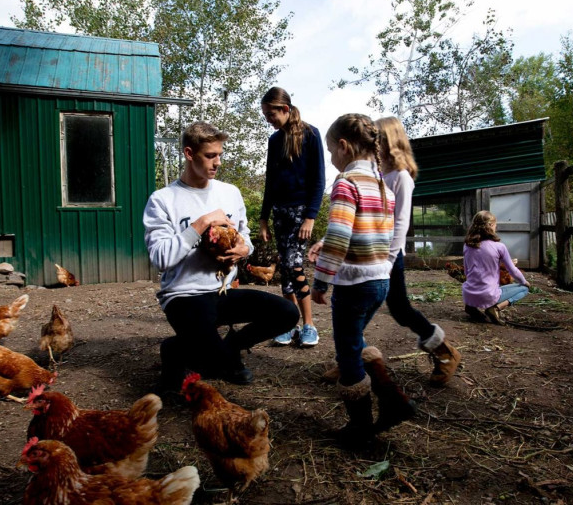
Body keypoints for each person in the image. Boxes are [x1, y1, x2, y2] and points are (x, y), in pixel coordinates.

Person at [143, 122, 299, 389]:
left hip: (222, 291)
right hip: (184, 296)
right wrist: (201, 223)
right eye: (209, 156)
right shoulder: (162, 199)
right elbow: (160, 258)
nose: (217, 162)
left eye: (220, 155)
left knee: (287, 313)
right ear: (189, 153)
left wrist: (243, 250)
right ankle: (177, 350)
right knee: (212, 367)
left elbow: (245, 237)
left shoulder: (230, 193)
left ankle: (230, 347)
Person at [309, 116, 461, 387]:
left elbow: (399, 224)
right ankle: (351, 361)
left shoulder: (398, 177)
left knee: (398, 309)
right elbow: (350, 222)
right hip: (372, 255)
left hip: (386, 255)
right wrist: (325, 239)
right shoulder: (377, 177)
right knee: (368, 313)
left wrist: (387, 262)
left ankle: (443, 350)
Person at [311, 113, 414, 447]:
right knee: (355, 342)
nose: (330, 159)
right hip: (379, 280)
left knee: (347, 354)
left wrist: (321, 280)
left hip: (353, 283)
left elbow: (340, 237)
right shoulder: (383, 184)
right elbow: (370, 233)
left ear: (343, 147)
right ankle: (393, 400)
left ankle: (360, 427)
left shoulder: (346, 183)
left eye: (330, 151)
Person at [258, 87, 325, 348]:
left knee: (295, 265)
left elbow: (319, 180)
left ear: (285, 109)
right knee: (285, 266)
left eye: (271, 114)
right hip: (279, 212)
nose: (268, 119)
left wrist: (310, 217)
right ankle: (290, 324)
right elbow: (270, 181)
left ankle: (309, 325)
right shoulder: (274, 141)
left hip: (300, 212)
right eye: (265, 115)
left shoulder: (311, 134)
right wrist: (263, 218)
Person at [462, 210, 530, 325]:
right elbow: (512, 271)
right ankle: (495, 308)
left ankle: (471, 307)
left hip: (468, 293)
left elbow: (467, 270)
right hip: (488, 295)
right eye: (495, 225)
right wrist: (524, 281)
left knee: (476, 283)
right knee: (524, 289)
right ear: (491, 226)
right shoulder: (499, 247)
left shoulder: (467, 245)